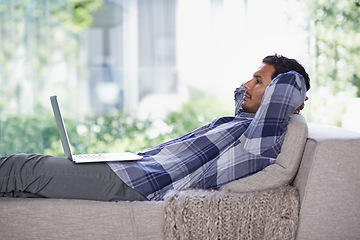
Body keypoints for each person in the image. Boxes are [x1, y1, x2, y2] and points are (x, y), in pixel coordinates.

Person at [0, 54, 310, 202]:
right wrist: (254, 88)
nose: (245, 85)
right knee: (17, 191)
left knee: (21, 167)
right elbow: (242, 102)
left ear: (285, 97)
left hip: (139, 185)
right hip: (136, 168)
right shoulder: (244, 126)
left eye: (258, 81)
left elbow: (289, 84)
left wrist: (296, 92)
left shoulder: (264, 142)